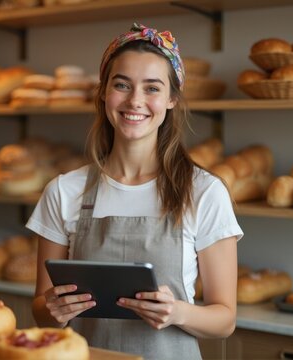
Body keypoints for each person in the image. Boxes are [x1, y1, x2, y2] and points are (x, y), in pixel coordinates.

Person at [26, 23, 243, 360]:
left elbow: (225, 319)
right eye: (122, 84)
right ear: (103, 92)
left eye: (152, 88)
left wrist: (178, 312)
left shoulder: (204, 192)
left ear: (172, 98)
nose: (135, 101)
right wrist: (52, 309)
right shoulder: (63, 191)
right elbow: (40, 309)